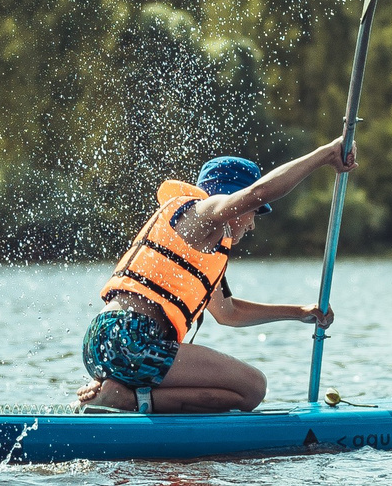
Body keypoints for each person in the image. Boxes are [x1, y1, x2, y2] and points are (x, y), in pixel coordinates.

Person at [76, 139, 357, 413]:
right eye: (253, 213)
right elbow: (257, 193)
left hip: (104, 344)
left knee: (241, 393)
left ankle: (119, 393)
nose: (252, 223)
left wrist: (299, 312)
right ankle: (124, 401)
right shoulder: (202, 213)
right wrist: (325, 155)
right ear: (232, 199)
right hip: (132, 338)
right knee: (253, 387)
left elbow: (228, 313)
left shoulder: (203, 247)